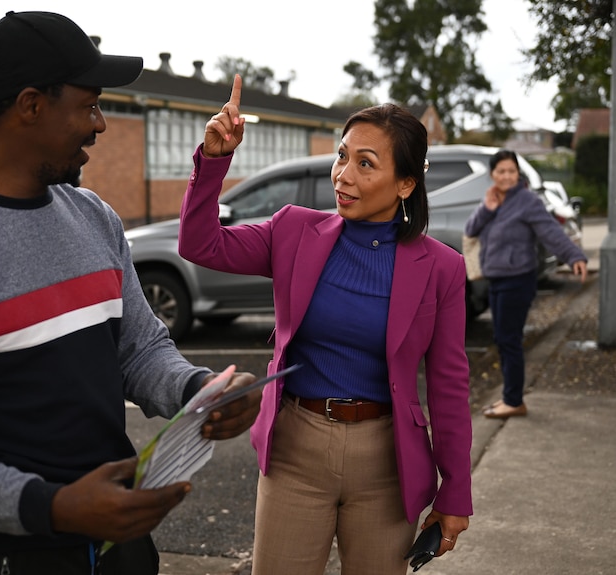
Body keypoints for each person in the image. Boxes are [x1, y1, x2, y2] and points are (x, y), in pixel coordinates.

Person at [0, 12, 260, 575]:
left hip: (121, 540)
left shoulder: (94, 217)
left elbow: (140, 350)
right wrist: (53, 506)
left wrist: (201, 389)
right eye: (89, 105)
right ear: (31, 105)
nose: (99, 124)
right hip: (11, 551)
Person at [178, 76, 472, 575]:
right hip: (296, 450)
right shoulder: (294, 229)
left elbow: (448, 384)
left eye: (365, 164)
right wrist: (213, 162)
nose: (343, 175)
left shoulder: (441, 267)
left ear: (405, 183)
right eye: (342, 156)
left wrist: (456, 493)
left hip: (387, 463)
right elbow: (201, 245)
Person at [465, 149, 587, 419]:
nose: (507, 176)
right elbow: (471, 230)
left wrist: (574, 255)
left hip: (517, 280)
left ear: (517, 174)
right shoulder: (494, 200)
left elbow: (551, 231)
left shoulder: (528, 201)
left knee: (509, 340)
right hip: (497, 279)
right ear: (492, 175)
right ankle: (511, 396)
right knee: (503, 338)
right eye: (501, 172)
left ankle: (514, 400)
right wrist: (487, 208)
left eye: (511, 171)